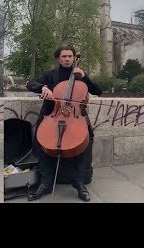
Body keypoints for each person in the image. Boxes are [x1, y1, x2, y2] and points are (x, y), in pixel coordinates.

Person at [26, 45, 103, 202]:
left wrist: (86, 76)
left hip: (76, 118)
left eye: (70, 56)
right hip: (51, 115)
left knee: (83, 144)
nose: (67, 59)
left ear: (74, 58)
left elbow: (98, 91)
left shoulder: (80, 76)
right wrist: (43, 88)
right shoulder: (50, 75)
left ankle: (80, 183)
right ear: (58, 59)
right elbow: (30, 83)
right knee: (40, 142)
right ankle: (46, 183)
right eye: (64, 56)